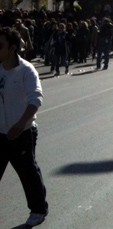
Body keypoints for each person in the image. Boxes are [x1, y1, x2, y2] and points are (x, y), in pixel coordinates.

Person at [0, 27, 49, 227]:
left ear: (12, 48)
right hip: (0, 133)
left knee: (28, 173)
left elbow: (36, 99)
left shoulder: (27, 70)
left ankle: (38, 210)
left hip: (21, 132)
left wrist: (20, 124)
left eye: (0, 45)